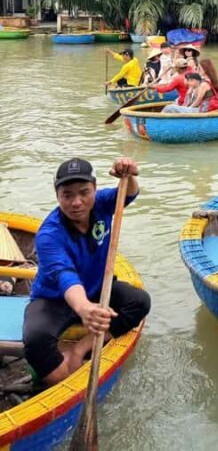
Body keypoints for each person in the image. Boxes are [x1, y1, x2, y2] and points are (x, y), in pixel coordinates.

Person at [22, 157, 151, 385]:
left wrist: (129, 175)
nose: (77, 202)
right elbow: (65, 276)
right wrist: (85, 308)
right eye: (67, 195)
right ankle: (64, 382)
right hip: (55, 298)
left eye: (84, 192)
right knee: (35, 339)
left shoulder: (102, 203)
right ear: (57, 196)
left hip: (97, 287)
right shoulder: (48, 235)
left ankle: (81, 349)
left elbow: (129, 194)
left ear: (95, 189)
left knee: (140, 302)